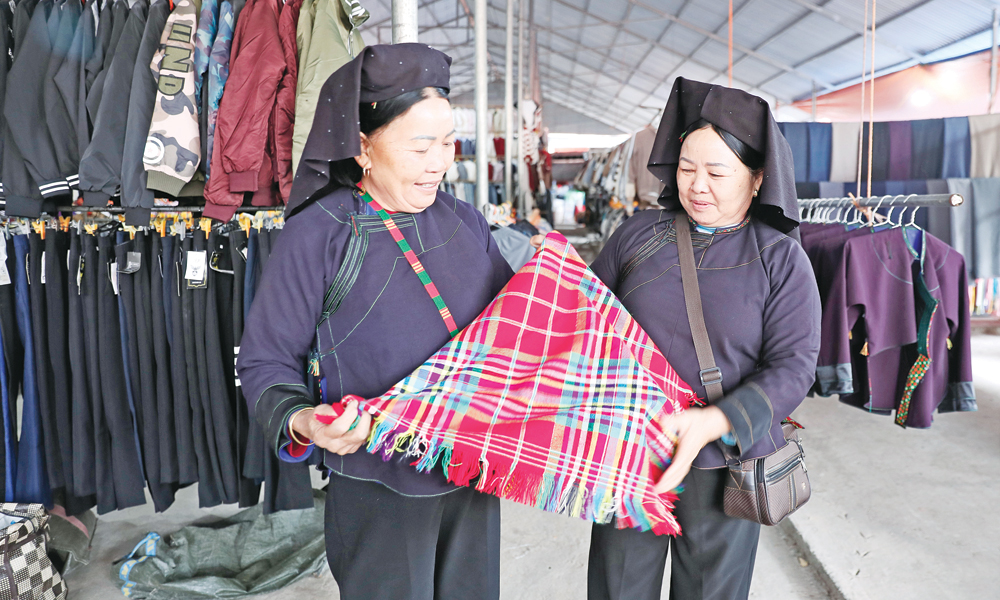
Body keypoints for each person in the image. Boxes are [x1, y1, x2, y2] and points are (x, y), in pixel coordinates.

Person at [236, 44, 513, 600]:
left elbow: (512, 323)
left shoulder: (464, 221)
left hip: (472, 470)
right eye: (420, 146)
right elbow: (265, 360)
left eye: (448, 143)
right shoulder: (319, 233)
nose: (439, 163)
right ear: (363, 146)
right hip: (379, 487)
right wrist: (304, 420)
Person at [586, 78, 822, 599]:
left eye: (717, 172)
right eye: (687, 168)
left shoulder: (780, 259)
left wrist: (715, 421)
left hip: (727, 466)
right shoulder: (637, 235)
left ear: (757, 179)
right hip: (632, 455)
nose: (697, 186)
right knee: (617, 588)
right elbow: (586, 320)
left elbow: (794, 366)